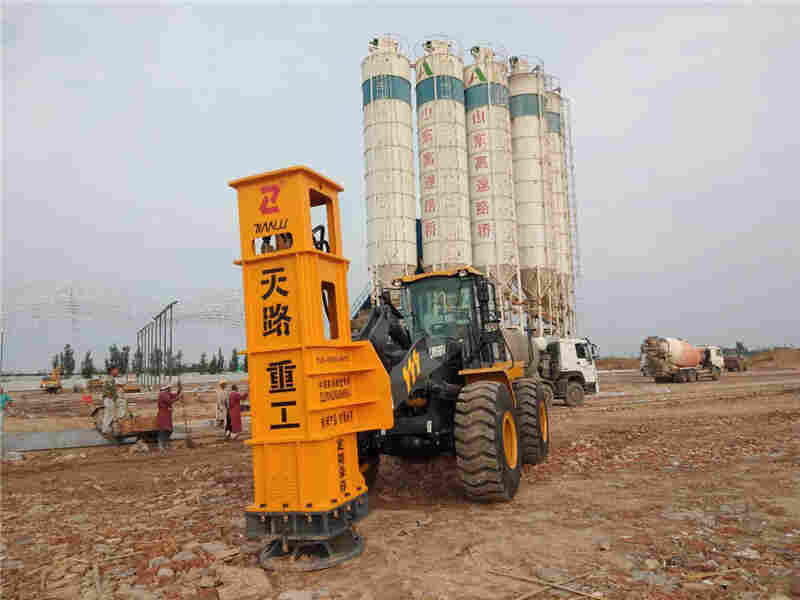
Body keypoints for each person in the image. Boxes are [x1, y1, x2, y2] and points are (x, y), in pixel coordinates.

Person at [157, 382, 182, 453]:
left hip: (167, 414)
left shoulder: (167, 394)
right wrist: (178, 398)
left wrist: (179, 390)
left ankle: (164, 444)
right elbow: (170, 401)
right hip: (163, 414)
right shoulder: (162, 394)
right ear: (167, 388)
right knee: (164, 430)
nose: (170, 389)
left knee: (169, 430)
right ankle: (161, 445)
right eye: (170, 388)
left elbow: (174, 395)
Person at [1, 386, 13, 455]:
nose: (1, 390)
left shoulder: (5, 395)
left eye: (1, 389)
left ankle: (1, 433)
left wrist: (7, 405)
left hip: (1, 411)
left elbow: (10, 401)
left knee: (1, 423)